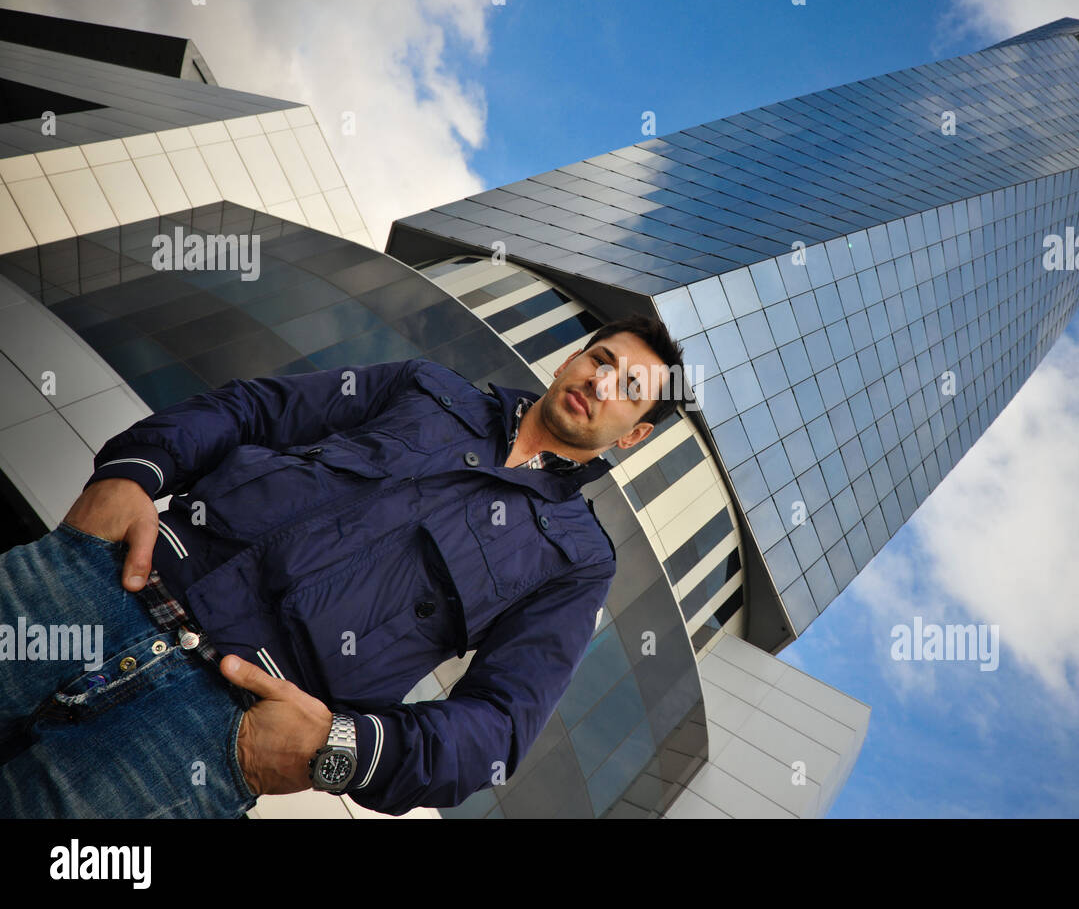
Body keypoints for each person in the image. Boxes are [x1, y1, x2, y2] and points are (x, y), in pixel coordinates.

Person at [0, 313, 686, 817]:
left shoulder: (578, 561)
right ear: (570, 358)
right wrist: (131, 471)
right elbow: (257, 409)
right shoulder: (427, 387)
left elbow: (498, 727)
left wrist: (339, 747)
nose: (600, 381)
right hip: (101, 582)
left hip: (209, 732)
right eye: (600, 358)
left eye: (627, 387)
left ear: (631, 434)